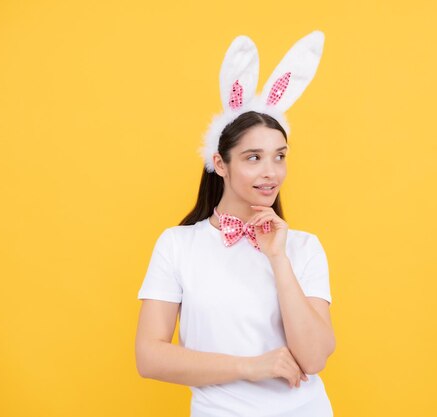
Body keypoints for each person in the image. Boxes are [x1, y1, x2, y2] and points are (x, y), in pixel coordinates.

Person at [135, 31, 335, 417]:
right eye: (253, 157)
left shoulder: (304, 247)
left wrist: (278, 258)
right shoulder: (178, 245)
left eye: (279, 156)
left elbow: (312, 358)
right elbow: (149, 356)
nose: (270, 173)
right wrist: (250, 367)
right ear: (221, 164)